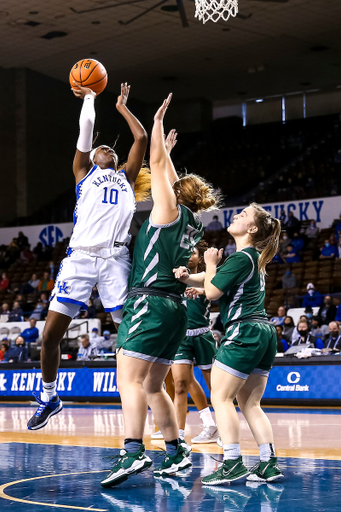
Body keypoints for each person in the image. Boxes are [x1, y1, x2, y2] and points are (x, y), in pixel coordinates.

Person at [101, 95, 220, 488]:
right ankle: (176, 449)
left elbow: (156, 169)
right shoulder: (192, 224)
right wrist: (166, 153)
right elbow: (164, 173)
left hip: (149, 303)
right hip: (172, 311)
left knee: (130, 381)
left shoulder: (167, 212)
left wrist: (155, 122)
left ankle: (133, 452)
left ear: (175, 193)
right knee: (153, 385)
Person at [27, 81, 149, 431]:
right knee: (50, 336)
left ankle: (145, 392)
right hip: (79, 259)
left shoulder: (125, 177)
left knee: (129, 334)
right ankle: (50, 396)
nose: (104, 148)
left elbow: (140, 139)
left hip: (114, 261)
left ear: (115, 158)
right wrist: (91, 98)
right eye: (99, 147)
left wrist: (123, 107)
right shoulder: (84, 174)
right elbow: (86, 130)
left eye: (110, 149)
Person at [175, 202, 283, 484]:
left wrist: (209, 265)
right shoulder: (250, 258)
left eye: (243, 214)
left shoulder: (240, 257)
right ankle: (268, 463)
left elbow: (211, 291)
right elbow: (210, 282)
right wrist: (191, 277)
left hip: (243, 330)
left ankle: (232, 462)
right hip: (264, 331)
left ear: (252, 228)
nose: (237, 215)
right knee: (251, 404)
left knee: (220, 398)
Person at [172, 242, 218, 444]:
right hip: (181, 338)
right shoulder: (174, 281)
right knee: (180, 384)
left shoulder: (207, 277)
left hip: (203, 336)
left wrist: (202, 290)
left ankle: (221, 430)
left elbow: (216, 290)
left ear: (200, 258)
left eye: (194, 253)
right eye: (187, 253)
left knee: (215, 388)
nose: (190, 256)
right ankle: (178, 437)